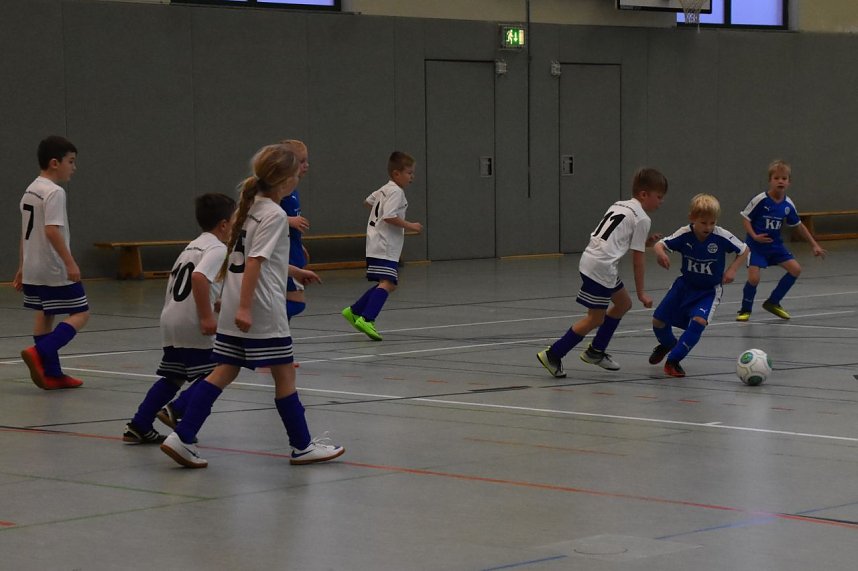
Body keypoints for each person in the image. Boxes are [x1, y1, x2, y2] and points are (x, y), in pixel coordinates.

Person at [160, 144, 344, 468]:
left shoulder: (248, 208)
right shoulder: (273, 214)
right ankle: (302, 446)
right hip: (260, 309)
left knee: (224, 371)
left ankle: (183, 435)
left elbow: (240, 257)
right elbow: (254, 262)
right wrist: (245, 307)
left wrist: (289, 272)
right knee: (284, 375)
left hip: (234, 305)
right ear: (286, 180)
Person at [121, 193, 236, 444]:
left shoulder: (193, 245)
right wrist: (206, 316)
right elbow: (198, 278)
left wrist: (216, 302)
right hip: (192, 320)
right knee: (219, 370)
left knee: (173, 376)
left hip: (171, 317)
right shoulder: (218, 248)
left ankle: (139, 425)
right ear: (224, 224)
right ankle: (177, 408)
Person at [536, 167, 667, 378]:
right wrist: (642, 292)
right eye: (659, 197)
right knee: (595, 318)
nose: (661, 202)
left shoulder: (620, 205)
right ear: (644, 194)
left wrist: (646, 241)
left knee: (623, 304)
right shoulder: (642, 218)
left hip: (594, 260)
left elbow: (618, 237)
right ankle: (553, 354)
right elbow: (637, 260)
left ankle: (596, 351)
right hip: (601, 267)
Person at [14, 136, 90, 390]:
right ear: (55, 163)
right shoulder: (55, 192)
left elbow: (25, 232)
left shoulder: (30, 190)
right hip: (53, 266)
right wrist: (70, 263)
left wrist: (23, 266)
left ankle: (53, 373)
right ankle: (40, 352)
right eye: (71, 161)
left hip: (34, 267)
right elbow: (51, 231)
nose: (74, 167)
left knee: (46, 313)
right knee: (81, 312)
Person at [649, 194, 749, 377]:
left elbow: (744, 250)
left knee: (699, 321)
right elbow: (659, 245)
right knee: (658, 321)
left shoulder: (721, 236)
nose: (708, 227)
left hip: (708, 291)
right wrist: (660, 253)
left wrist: (732, 270)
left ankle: (673, 361)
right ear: (692, 219)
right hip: (684, 286)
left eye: (712, 222)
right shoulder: (684, 234)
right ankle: (669, 344)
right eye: (704, 223)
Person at [341, 151, 423, 341]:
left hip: (376, 242)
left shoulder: (385, 189)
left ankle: (354, 311)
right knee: (389, 283)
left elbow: (367, 202)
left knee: (388, 283)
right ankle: (367, 318)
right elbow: (388, 216)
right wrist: (411, 225)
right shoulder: (396, 191)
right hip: (385, 245)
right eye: (409, 173)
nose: (412, 177)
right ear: (396, 173)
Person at [736, 159, 826, 321]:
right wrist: (754, 236)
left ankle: (773, 302)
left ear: (789, 182)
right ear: (770, 180)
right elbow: (745, 218)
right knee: (754, 278)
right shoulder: (760, 200)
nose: (780, 181)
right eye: (776, 178)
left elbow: (798, 225)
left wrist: (814, 245)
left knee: (795, 269)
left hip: (775, 246)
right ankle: (745, 309)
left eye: (784, 178)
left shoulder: (788, 204)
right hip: (756, 246)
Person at [279, 139, 311, 324]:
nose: (306, 165)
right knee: (296, 303)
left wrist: (299, 244)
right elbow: (262, 216)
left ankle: (280, 340)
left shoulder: (293, 188)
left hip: (293, 249)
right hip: (285, 255)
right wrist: (289, 220)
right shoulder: (279, 189)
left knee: (292, 303)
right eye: (301, 161)